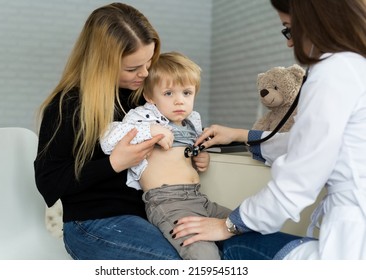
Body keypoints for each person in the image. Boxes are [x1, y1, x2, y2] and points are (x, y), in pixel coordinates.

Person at [171, 0, 366, 259]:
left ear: (313, 21)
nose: (289, 42)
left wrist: (230, 224)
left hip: (349, 248)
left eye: (288, 28)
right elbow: (315, 144)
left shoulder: (333, 73)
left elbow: (297, 181)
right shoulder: (355, 65)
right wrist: (243, 136)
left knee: (231, 247)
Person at [33, 3, 205, 260]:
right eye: (133, 68)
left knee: (207, 254)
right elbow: (49, 182)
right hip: (91, 222)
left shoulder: (143, 97)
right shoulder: (67, 105)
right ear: (101, 63)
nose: (145, 73)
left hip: (149, 213)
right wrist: (114, 163)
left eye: (149, 62)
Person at [99, 51, 231, 260]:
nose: (179, 101)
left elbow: (187, 154)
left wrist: (200, 158)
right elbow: (107, 138)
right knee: (202, 252)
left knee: (244, 222)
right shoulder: (144, 117)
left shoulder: (192, 122)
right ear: (150, 97)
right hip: (168, 202)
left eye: (187, 93)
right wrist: (151, 131)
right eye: (169, 93)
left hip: (199, 198)